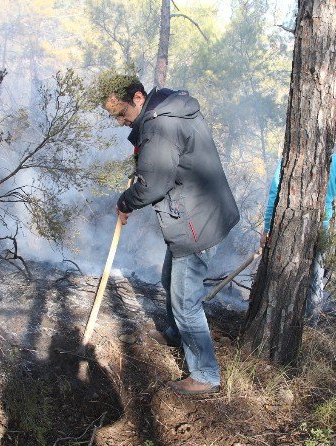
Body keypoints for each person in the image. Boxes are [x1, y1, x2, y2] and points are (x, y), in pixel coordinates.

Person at [99, 74, 239, 395]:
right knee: (168, 281)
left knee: (186, 301)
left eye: (121, 113)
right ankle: (178, 334)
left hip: (196, 223)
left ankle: (205, 375)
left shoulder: (160, 125)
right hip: (196, 215)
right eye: (114, 118)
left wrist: (126, 200)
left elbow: (153, 184)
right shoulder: (167, 113)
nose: (120, 122)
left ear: (137, 98)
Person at [260, 154, 336, 326]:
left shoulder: (290, 155)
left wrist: (267, 229)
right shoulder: (333, 161)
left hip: (289, 228)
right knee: (315, 278)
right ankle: (309, 327)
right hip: (321, 230)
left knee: (283, 274)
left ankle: (274, 322)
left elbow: (274, 194)